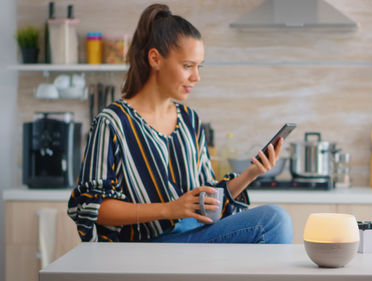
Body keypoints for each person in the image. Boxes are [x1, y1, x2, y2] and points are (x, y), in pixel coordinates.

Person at [67, 3, 292, 243]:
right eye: (187, 66)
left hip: (191, 236)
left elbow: (207, 201)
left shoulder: (189, 120)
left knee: (275, 220)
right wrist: (169, 209)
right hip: (144, 248)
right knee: (273, 220)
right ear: (155, 59)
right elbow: (95, 209)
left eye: (198, 67)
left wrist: (252, 173)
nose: (196, 77)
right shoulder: (112, 123)